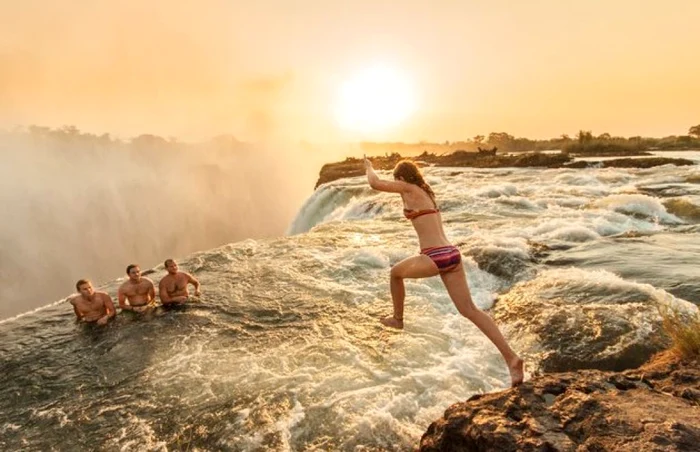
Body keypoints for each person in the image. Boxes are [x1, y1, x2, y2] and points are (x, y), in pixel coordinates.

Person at [365, 157, 525, 387]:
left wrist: (368, 166)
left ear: (401, 178)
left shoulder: (408, 187)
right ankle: (512, 358)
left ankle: (398, 319)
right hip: (452, 254)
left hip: (435, 255)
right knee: (470, 310)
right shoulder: (425, 192)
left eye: (396, 179)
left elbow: (374, 183)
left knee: (395, 273)